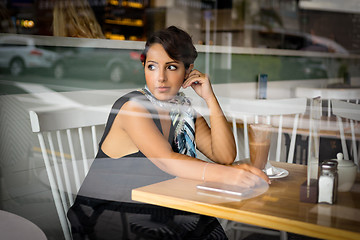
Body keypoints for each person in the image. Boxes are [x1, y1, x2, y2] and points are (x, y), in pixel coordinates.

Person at [67, 26, 269, 240]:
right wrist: (230, 175)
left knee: (210, 230)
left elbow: (224, 155)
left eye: (171, 67)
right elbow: (166, 161)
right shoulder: (133, 107)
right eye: (152, 66)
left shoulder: (182, 109)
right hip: (112, 212)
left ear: (188, 71)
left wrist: (210, 98)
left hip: (156, 205)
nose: (160, 77)